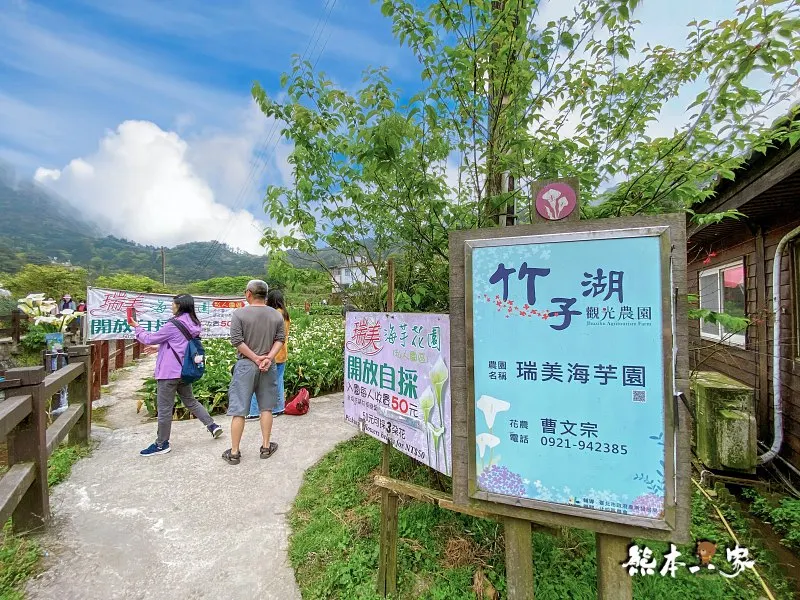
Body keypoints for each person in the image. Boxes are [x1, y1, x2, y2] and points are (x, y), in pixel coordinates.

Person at [130, 294, 223, 456]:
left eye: (174, 304)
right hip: (184, 371)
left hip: (168, 373)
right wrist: (161, 348)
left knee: (165, 409)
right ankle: (212, 425)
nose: (172, 306)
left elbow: (150, 338)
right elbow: (181, 344)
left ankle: (161, 444)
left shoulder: (173, 324)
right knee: (190, 401)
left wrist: (137, 327)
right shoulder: (194, 323)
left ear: (180, 305)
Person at [223, 280, 285, 465]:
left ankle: (234, 452)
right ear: (265, 295)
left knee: (239, 410)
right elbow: (280, 339)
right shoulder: (276, 315)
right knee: (266, 407)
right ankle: (266, 447)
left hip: (245, 366)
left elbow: (237, 341)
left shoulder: (239, 314)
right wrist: (267, 358)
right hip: (268, 365)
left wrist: (255, 358)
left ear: (248, 293)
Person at [247, 289, 290, 419]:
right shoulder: (285, 314)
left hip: (270, 354)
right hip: (282, 353)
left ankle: (254, 412)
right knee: (278, 381)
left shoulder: (272, 314)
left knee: (258, 383)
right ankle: (278, 408)